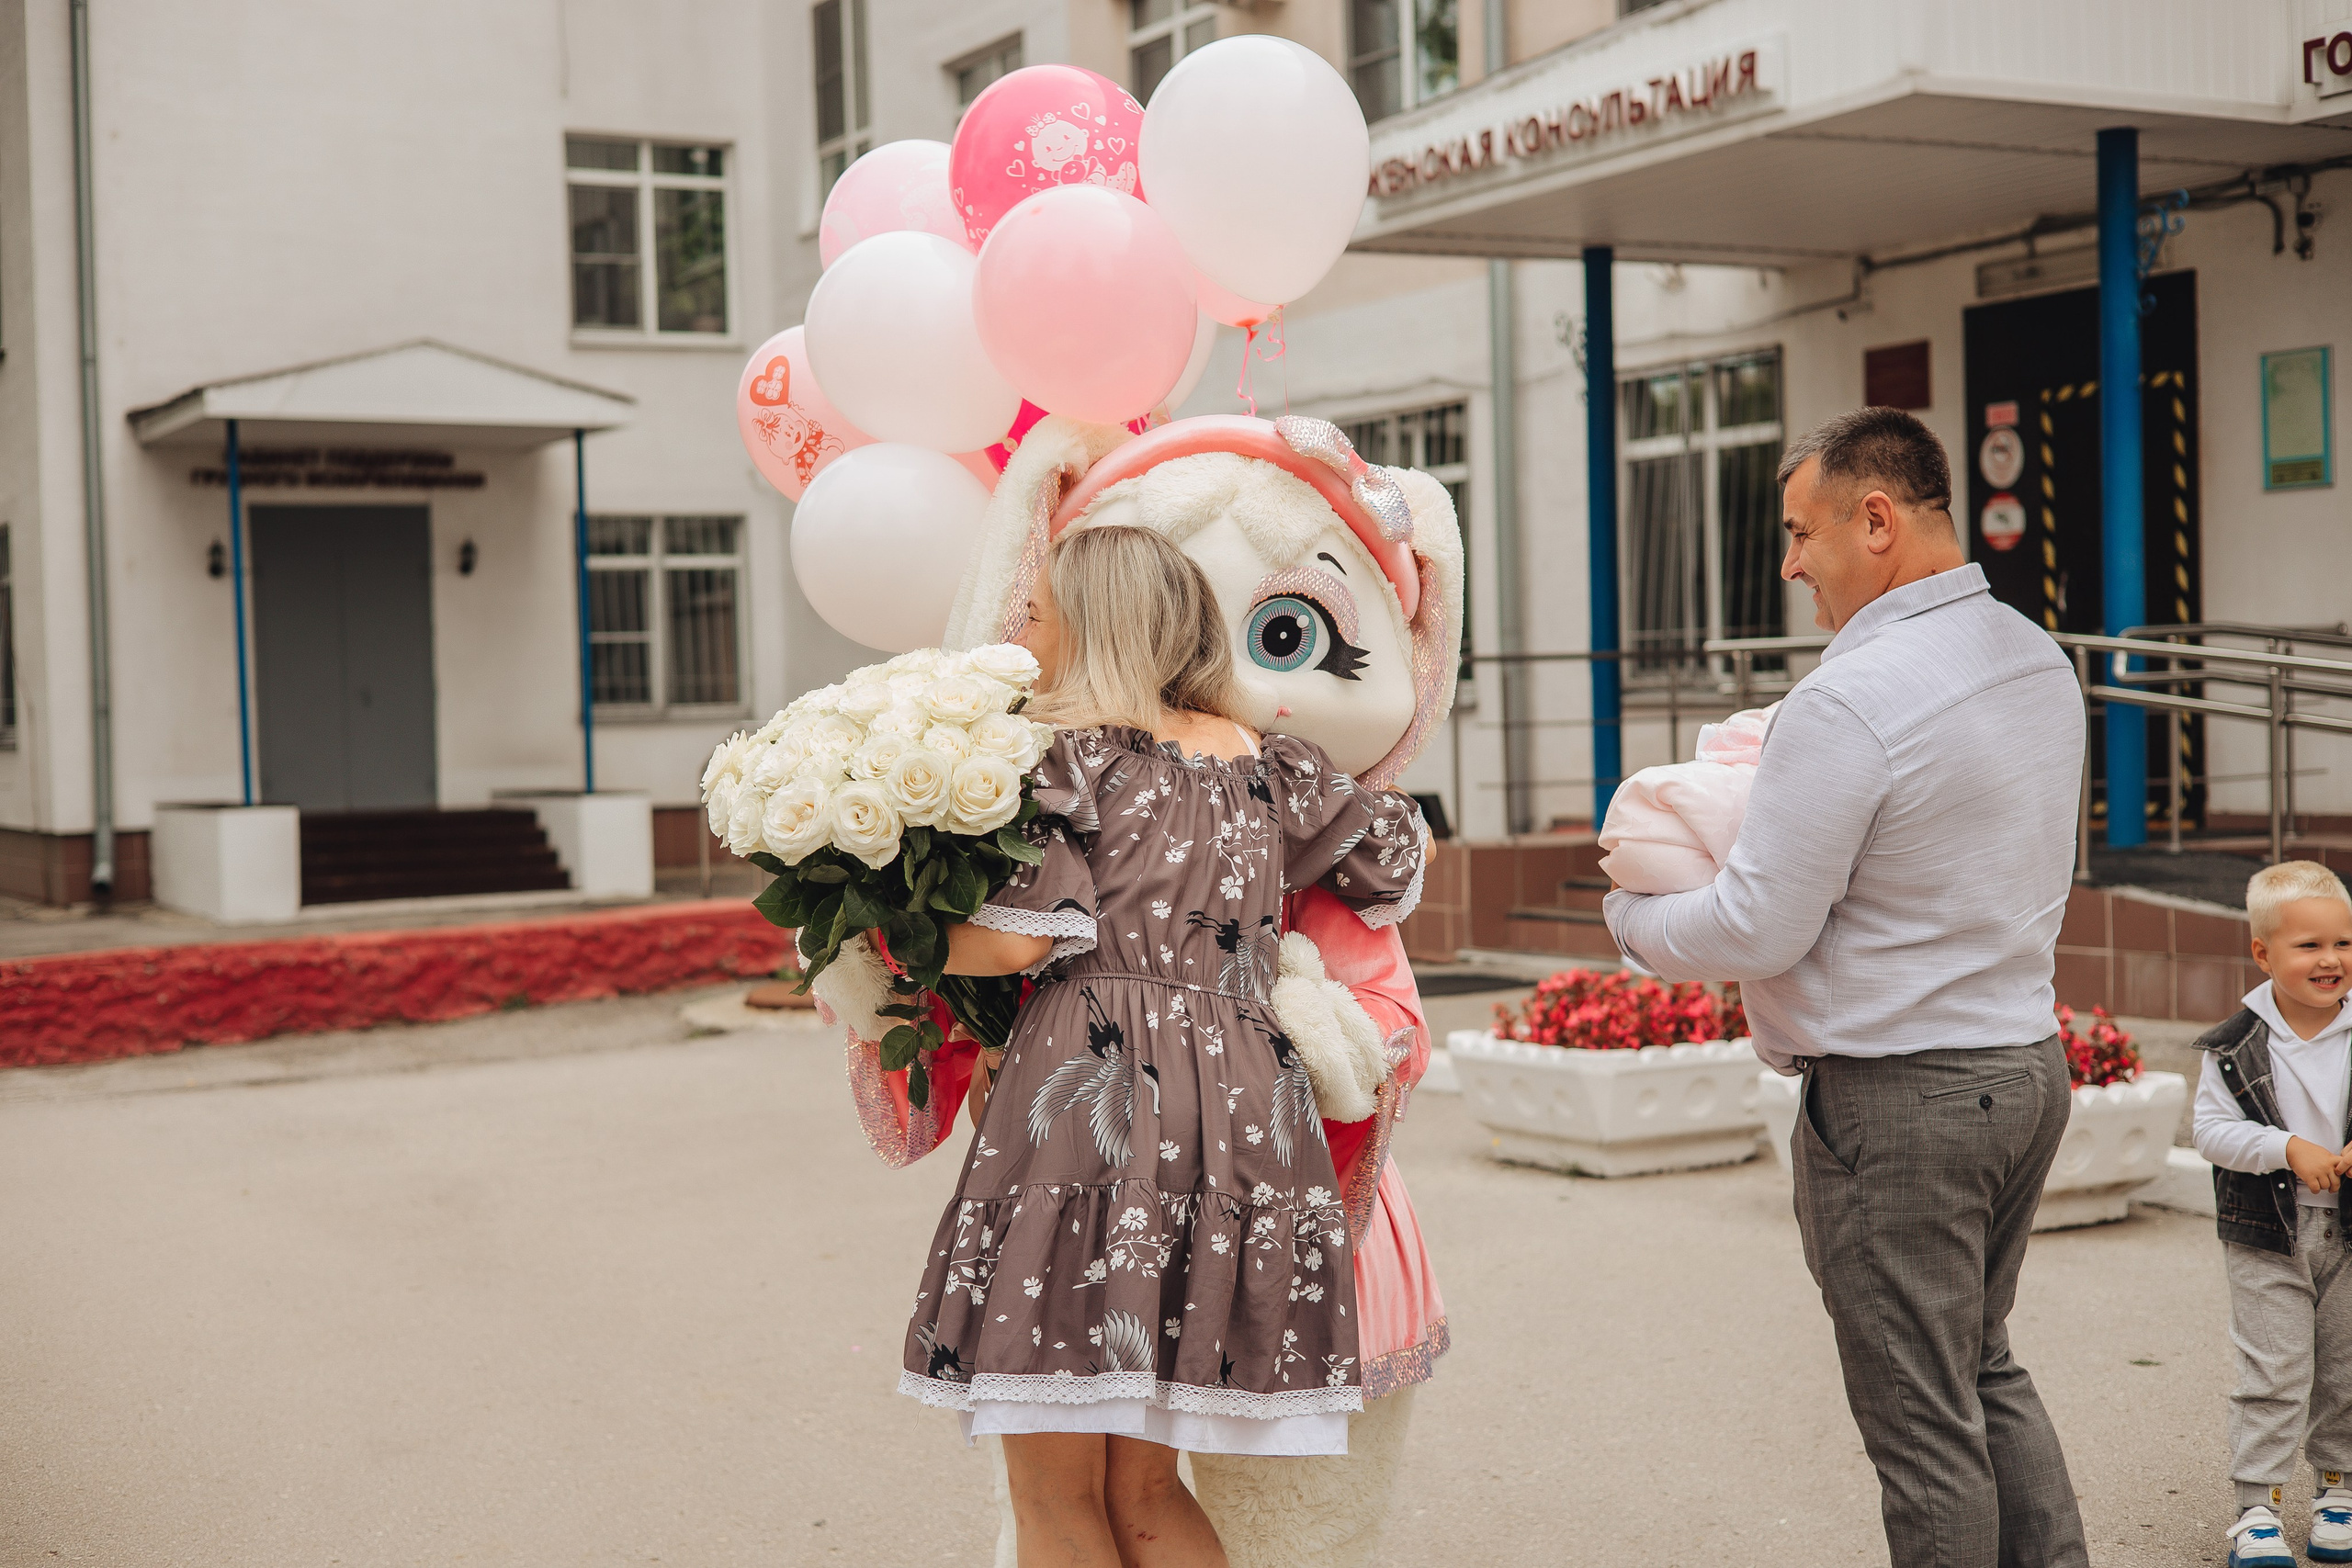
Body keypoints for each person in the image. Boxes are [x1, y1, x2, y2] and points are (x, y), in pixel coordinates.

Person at [1604, 406, 2090, 1567]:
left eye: (1798, 533)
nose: (1788, 566)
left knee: (1923, 1429)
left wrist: (1630, 918)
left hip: (1901, 1100)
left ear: (1873, 520)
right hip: (2024, 1067)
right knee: (1981, 1366)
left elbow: (1757, 923)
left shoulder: (1845, 700)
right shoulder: (2036, 656)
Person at [909, 524, 1426, 1568]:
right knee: (1145, 1485)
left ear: (1096, 625)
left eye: (1040, 611)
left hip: (1091, 1092)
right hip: (1238, 1102)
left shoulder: (1066, 759)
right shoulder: (1266, 763)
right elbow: (1390, 860)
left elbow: (1012, 936)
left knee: (1054, 1490)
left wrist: (890, 925)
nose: (1023, 626)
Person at [2190, 861, 2352, 1568]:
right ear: (2262, 952)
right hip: (2268, 1234)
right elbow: (2209, 1131)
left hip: (2348, 1234)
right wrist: (2284, 1147)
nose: (2331, 960)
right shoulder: (2234, 1044)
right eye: (2309, 945)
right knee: (2275, 1370)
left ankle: (2338, 1491)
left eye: (2344, 943)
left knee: (2345, 1368)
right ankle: (2257, 1507)